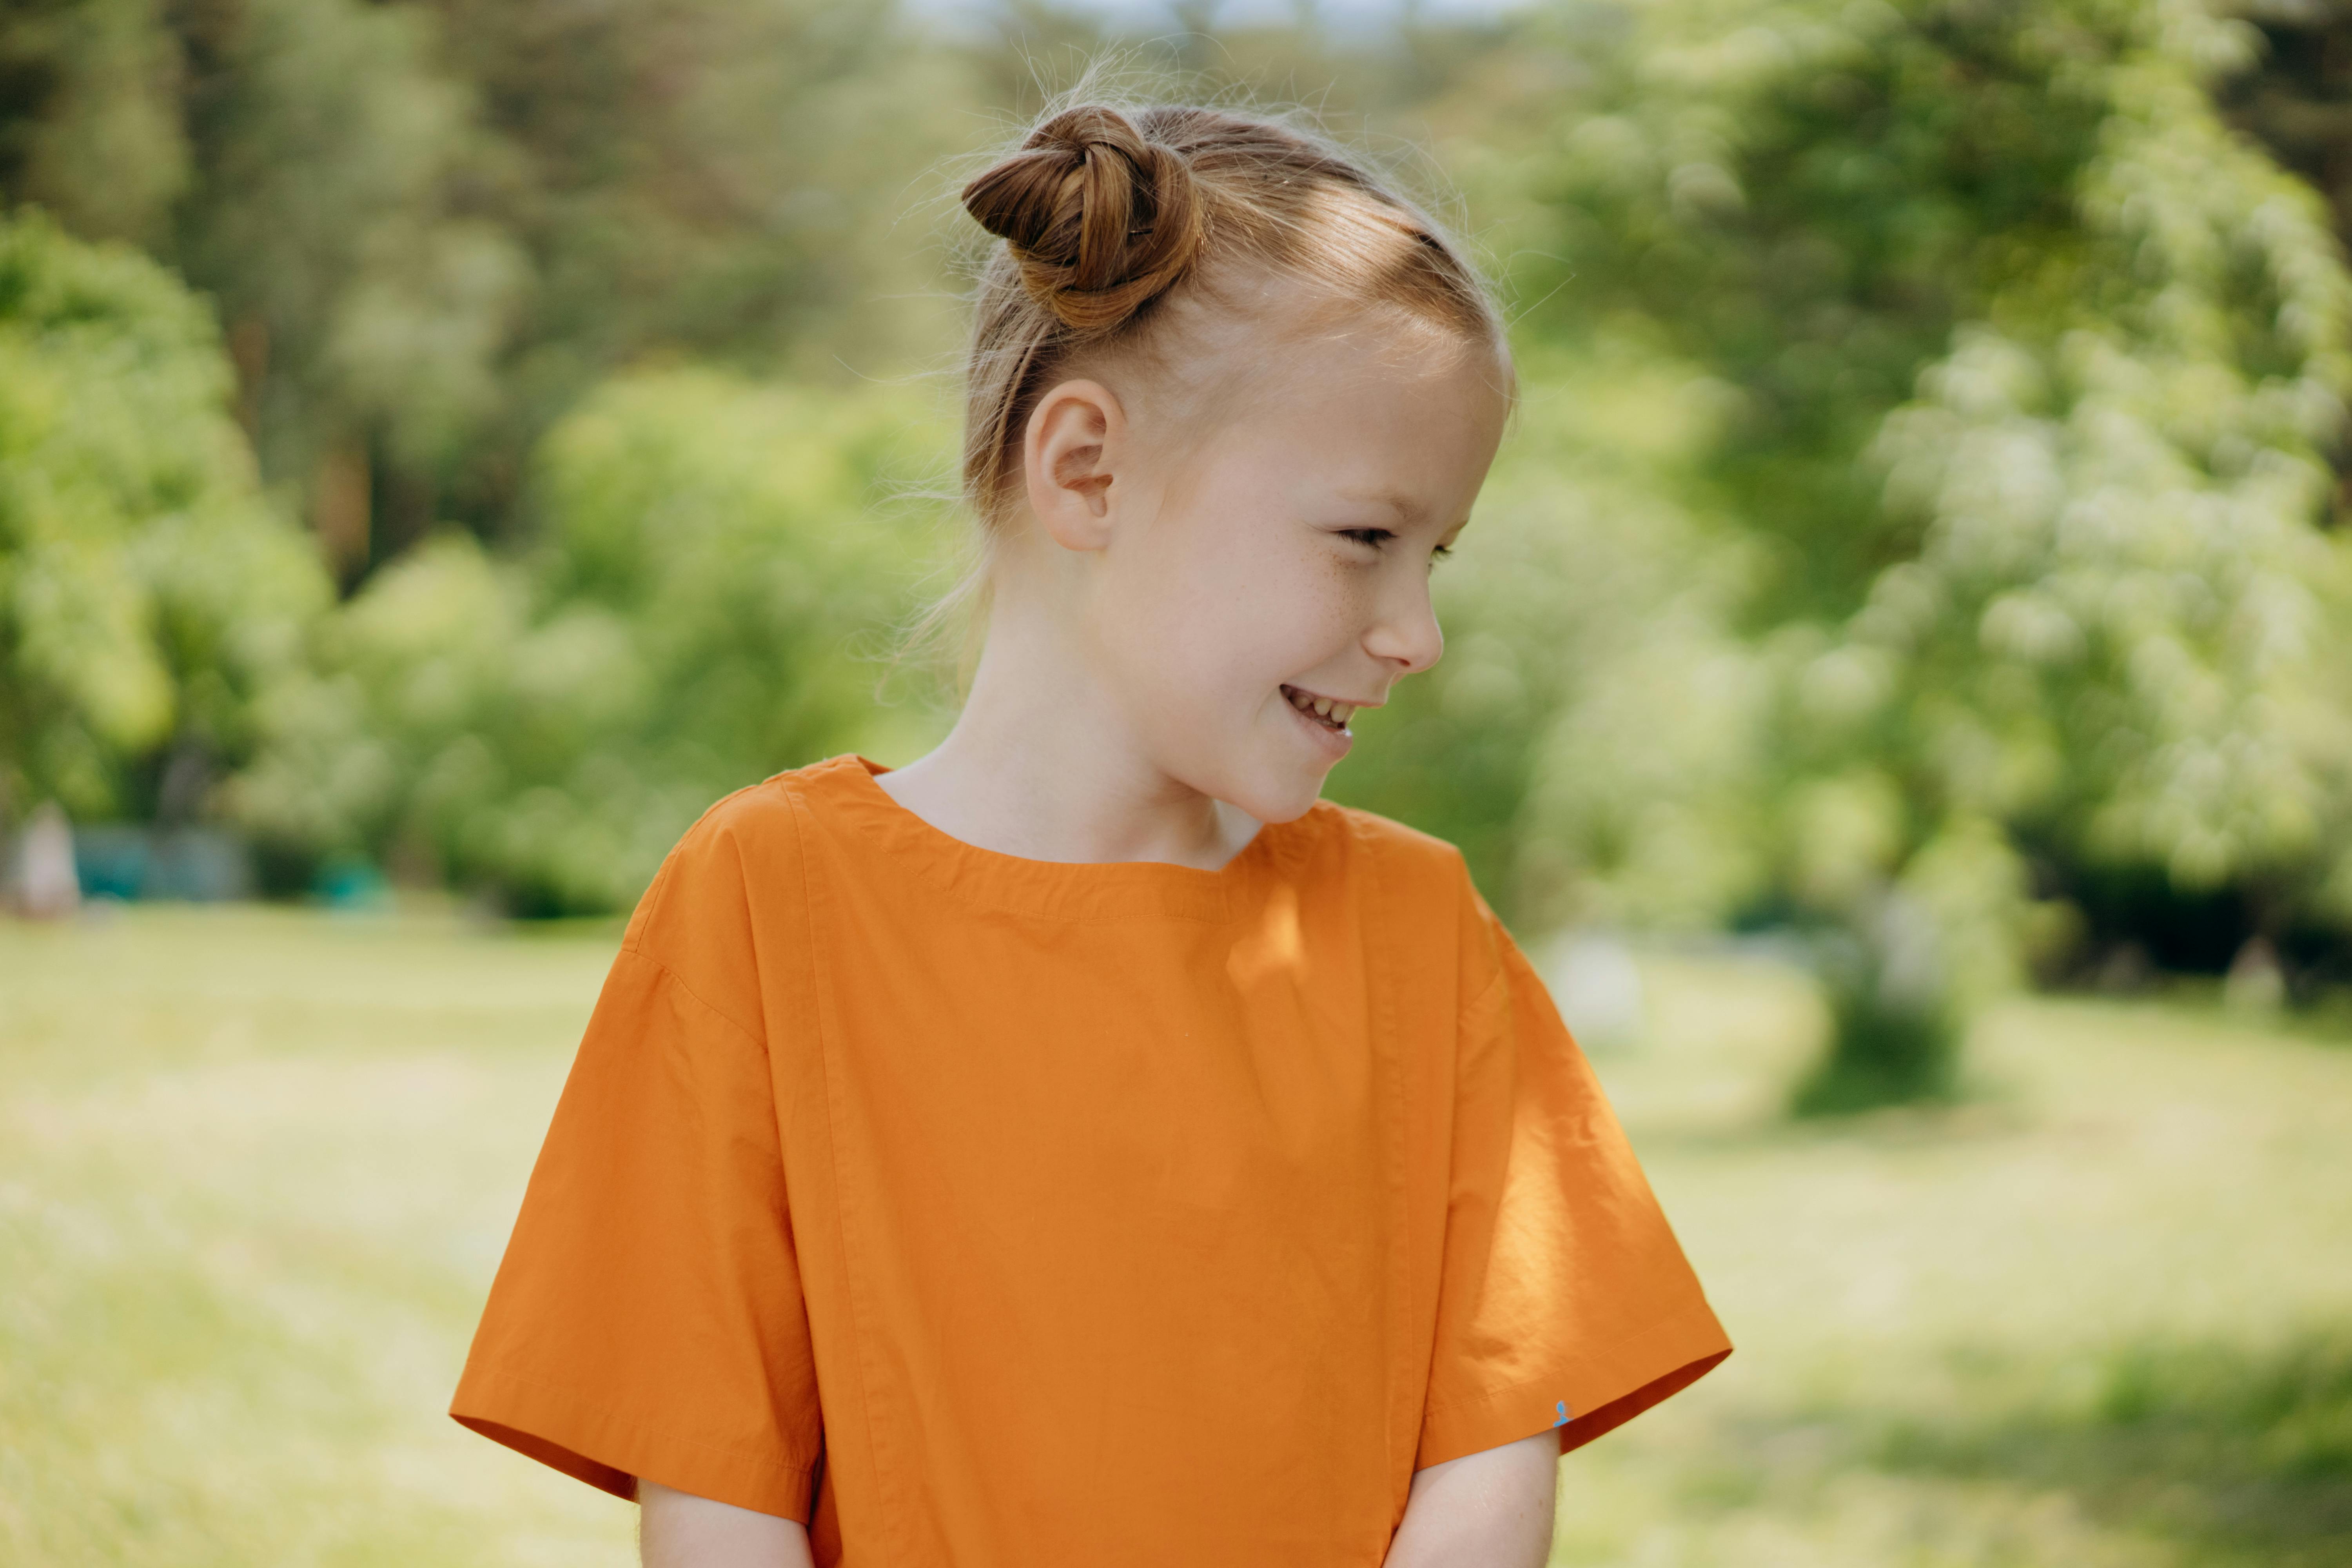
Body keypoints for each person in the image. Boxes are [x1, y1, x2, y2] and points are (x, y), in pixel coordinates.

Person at [448, 91, 1731, 1568]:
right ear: (1088, 472)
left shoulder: (1419, 930)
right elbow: (715, 1481)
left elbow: (1498, 1435)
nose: (1420, 633)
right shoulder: (770, 898)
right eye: (1367, 540)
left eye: (1435, 556)